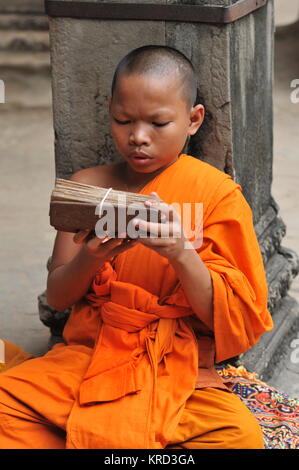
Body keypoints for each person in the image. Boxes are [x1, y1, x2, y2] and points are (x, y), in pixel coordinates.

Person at [0, 45, 274, 449]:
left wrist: (181, 253)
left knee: (239, 437)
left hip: (174, 364)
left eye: (159, 123)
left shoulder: (217, 194)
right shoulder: (88, 187)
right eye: (123, 120)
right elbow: (58, 296)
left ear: (193, 120)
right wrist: (92, 257)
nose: (138, 137)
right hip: (91, 355)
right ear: (109, 111)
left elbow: (234, 318)